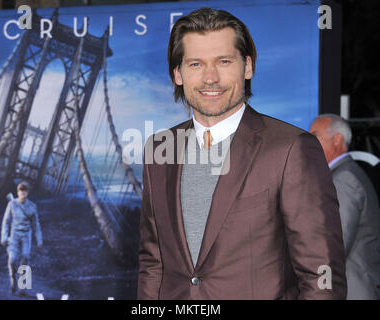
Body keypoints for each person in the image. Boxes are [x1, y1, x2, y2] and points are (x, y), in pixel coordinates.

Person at [138, 7, 347, 300]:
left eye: (223, 61)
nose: (210, 78)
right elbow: (153, 265)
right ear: (178, 74)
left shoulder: (290, 148)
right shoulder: (158, 150)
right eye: (196, 64)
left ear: (247, 67)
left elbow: (321, 275)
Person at [310, 114, 380, 299]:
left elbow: (335, 244)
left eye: (315, 137)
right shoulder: (346, 174)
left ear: (337, 140)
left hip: (351, 291)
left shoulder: (344, 179)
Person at [0, 181, 43, 295]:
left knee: (25, 258)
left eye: (24, 192)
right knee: (12, 259)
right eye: (20, 192)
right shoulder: (12, 204)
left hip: (26, 235)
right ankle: (13, 278)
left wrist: (39, 240)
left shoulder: (32, 207)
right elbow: (6, 221)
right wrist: (4, 237)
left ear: (27, 193)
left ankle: (22, 287)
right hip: (14, 235)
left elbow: (36, 224)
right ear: (18, 192)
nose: (22, 194)